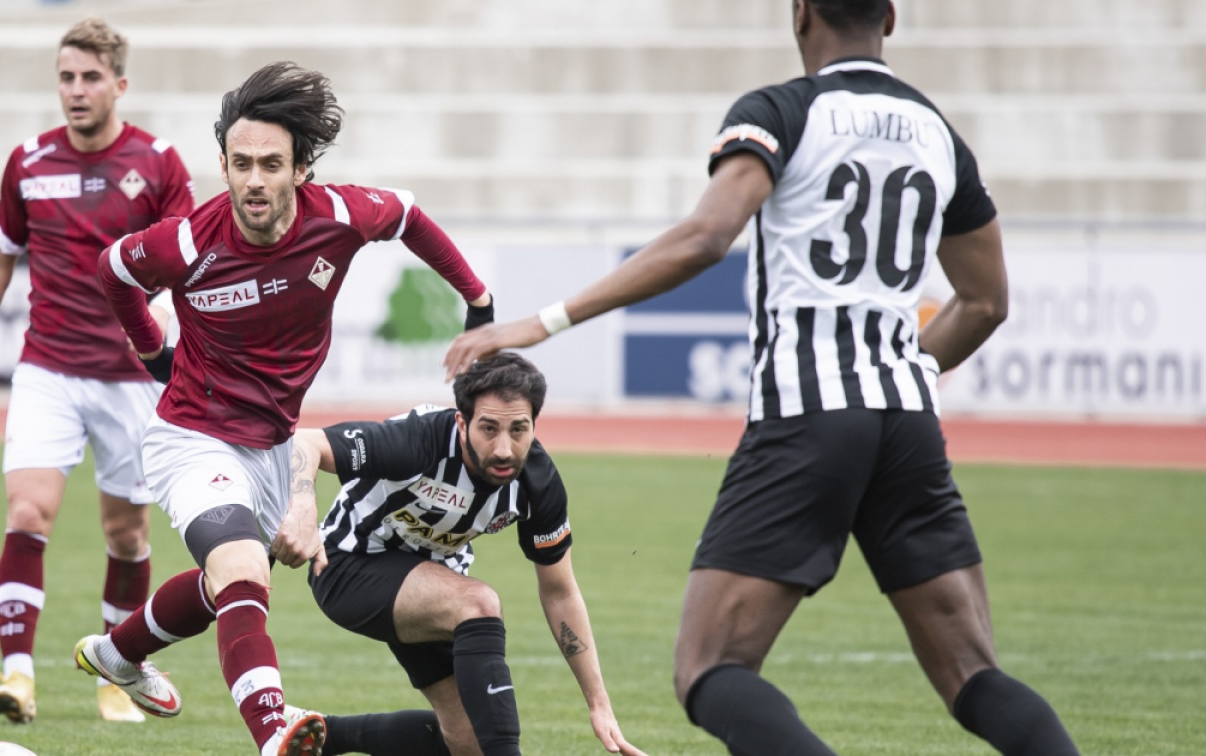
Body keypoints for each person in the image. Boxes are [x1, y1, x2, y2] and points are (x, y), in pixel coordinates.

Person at [443, 2, 1080, 755]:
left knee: (709, 667)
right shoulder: (938, 132)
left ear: (800, 12)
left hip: (808, 412)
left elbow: (708, 236)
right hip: (907, 417)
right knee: (973, 674)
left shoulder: (782, 111)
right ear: (891, 17)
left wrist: (540, 322)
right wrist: (902, 370)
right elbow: (986, 301)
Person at [77, 61, 493, 756]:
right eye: (240, 164)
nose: (253, 180)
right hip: (191, 436)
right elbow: (114, 269)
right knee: (244, 571)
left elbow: (409, 214)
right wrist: (152, 349)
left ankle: (118, 654)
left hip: (272, 447)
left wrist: (477, 299)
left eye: (271, 164)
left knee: (229, 582)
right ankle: (273, 732)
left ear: (300, 169)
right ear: (222, 165)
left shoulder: (341, 216)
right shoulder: (187, 242)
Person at [0, 16, 194, 725]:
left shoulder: (160, 163)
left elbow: (188, 260)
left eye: (90, 78)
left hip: (132, 379)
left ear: (119, 85)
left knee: (126, 534)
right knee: (27, 512)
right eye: (66, 77)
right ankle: (17, 677)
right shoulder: (28, 161)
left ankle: (117, 673)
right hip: (48, 369)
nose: (76, 90)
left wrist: (165, 321)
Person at [289, 352, 643, 756]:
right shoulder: (418, 440)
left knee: (468, 742)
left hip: (431, 583)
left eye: (519, 429)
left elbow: (560, 592)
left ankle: (323, 735)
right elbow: (306, 442)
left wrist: (599, 704)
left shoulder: (537, 482)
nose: (504, 449)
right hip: (347, 566)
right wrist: (302, 509)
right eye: (488, 428)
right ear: (462, 422)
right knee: (478, 604)